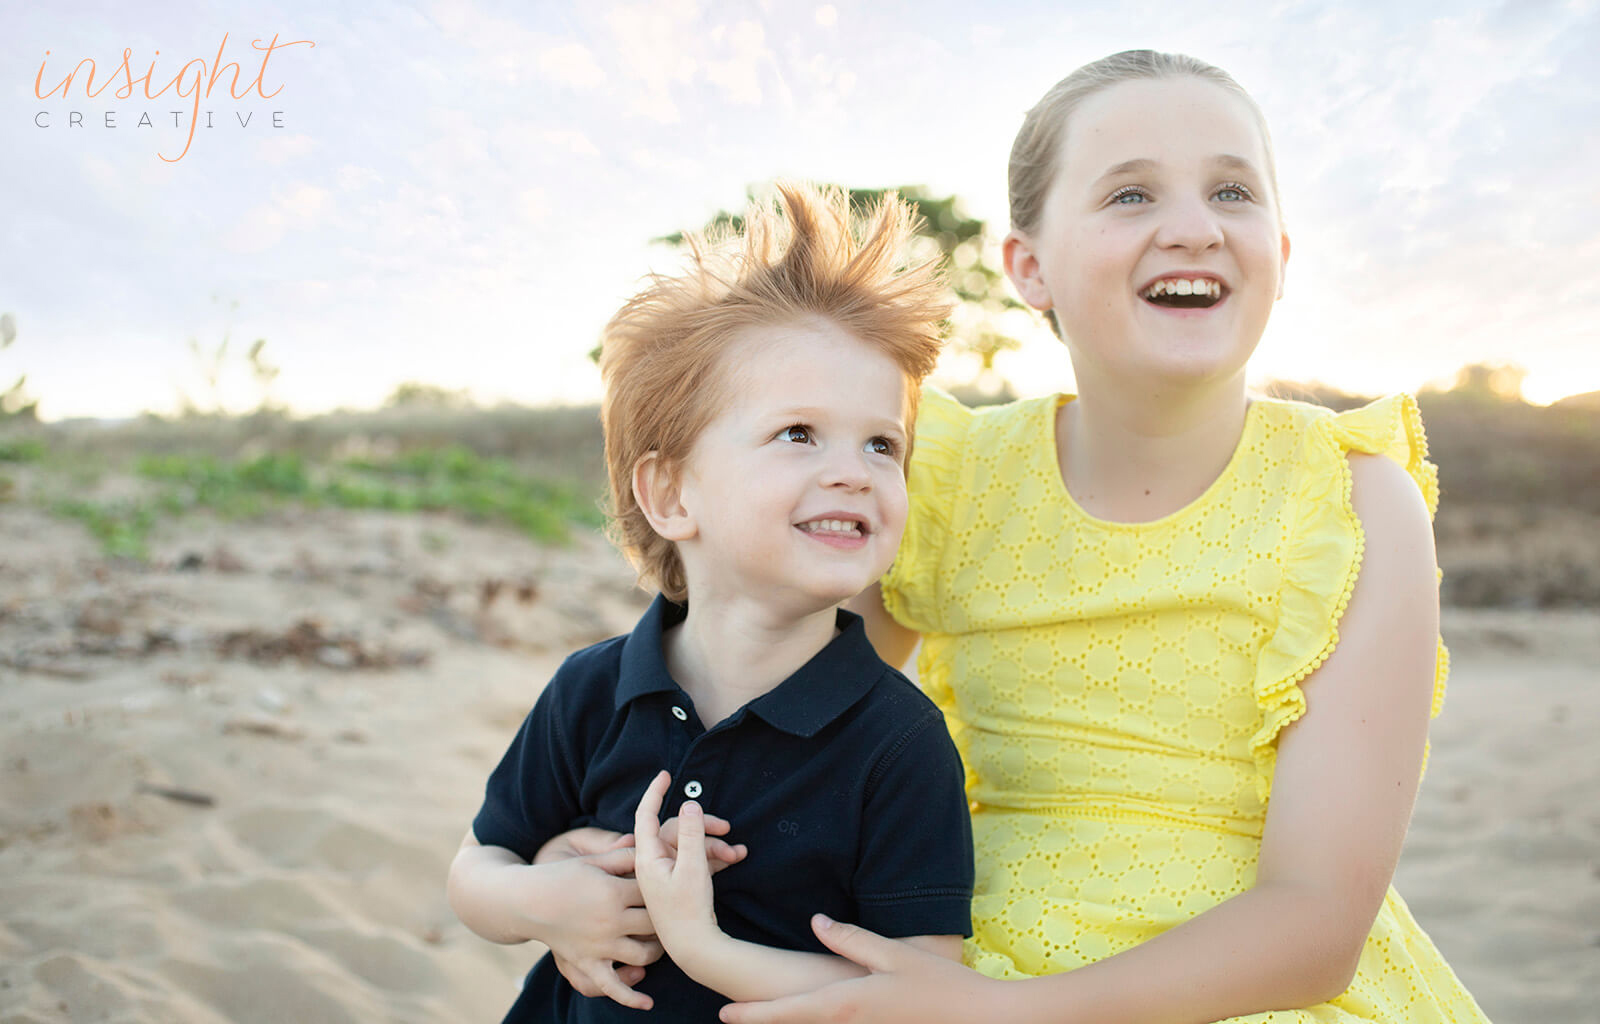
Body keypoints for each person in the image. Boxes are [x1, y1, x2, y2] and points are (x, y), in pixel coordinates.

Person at [551, 50, 1493, 1023]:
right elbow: (767, 719)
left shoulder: (1350, 500)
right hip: (958, 947)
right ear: (1027, 267)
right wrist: (584, 857)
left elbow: (1314, 924)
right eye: (1130, 195)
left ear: (1281, 255)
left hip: (1230, 984)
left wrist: (1002, 1012)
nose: (1192, 226)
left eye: (1231, 191)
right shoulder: (948, 473)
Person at [446, 182, 974, 1022]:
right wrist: (548, 903)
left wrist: (707, 949)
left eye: (882, 444)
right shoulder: (593, 690)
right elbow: (476, 871)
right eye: (798, 433)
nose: (854, 469)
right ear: (669, 494)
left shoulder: (898, 744)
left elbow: (922, 999)